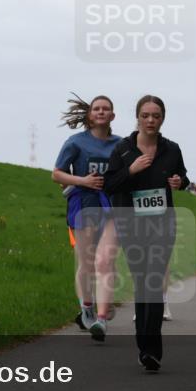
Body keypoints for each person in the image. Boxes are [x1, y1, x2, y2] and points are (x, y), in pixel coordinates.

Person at [104, 95, 189, 371]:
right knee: (143, 283)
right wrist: (131, 169)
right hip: (131, 223)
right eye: (146, 115)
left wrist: (180, 182)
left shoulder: (172, 149)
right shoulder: (122, 149)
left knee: (153, 282)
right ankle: (145, 343)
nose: (151, 120)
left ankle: (150, 350)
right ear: (137, 117)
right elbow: (110, 185)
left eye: (156, 115)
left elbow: (183, 177)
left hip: (162, 223)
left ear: (162, 118)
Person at [52, 94, 121, 342]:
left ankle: (102, 314)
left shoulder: (120, 145)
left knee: (106, 261)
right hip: (83, 203)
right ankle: (87, 309)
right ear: (90, 115)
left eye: (106, 109)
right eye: (97, 109)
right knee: (86, 261)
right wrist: (83, 180)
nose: (101, 112)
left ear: (112, 116)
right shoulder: (76, 143)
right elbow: (57, 175)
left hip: (111, 205)